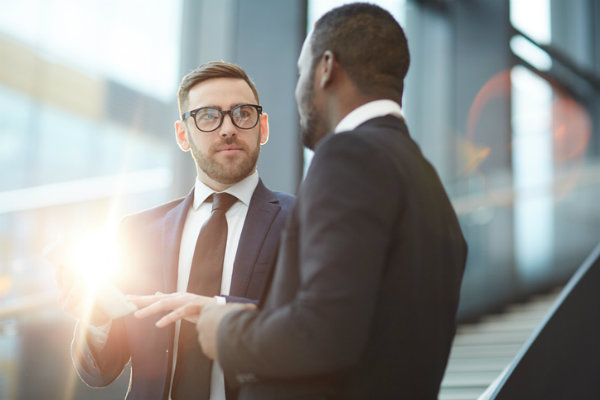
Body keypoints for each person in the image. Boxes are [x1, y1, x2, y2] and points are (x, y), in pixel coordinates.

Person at [184, 3, 467, 399]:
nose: (298, 89)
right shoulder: (429, 186)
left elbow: (324, 333)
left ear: (326, 68)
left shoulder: (348, 156)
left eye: (302, 72)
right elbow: (361, 325)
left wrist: (225, 329)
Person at [57, 61, 294, 400]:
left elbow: (315, 331)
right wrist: (95, 321)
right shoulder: (138, 232)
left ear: (263, 127)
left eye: (242, 113)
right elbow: (100, 372)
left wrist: (215, 307)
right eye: (208, 116)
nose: (228, 128)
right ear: (183, 135)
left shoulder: (303, 222)